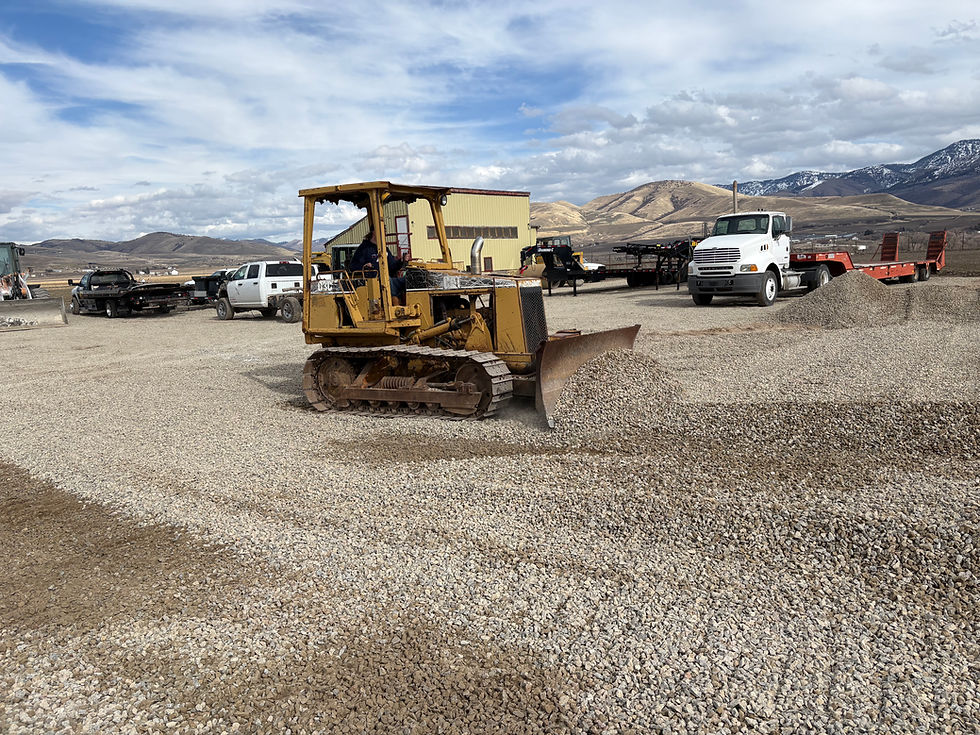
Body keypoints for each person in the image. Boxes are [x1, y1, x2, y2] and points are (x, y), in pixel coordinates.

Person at [348, 229, 406, 302]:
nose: (385, 234)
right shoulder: (364, 249)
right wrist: (364, 266)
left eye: (385, 231)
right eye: (382, 231)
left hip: (387, 280)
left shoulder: (385, 249)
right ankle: (394, 302)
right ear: (374, 232)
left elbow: (392, 267)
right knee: (386, 280)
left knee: (407, 279)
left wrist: (401, 261)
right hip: (372, 281)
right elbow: (353, 266)